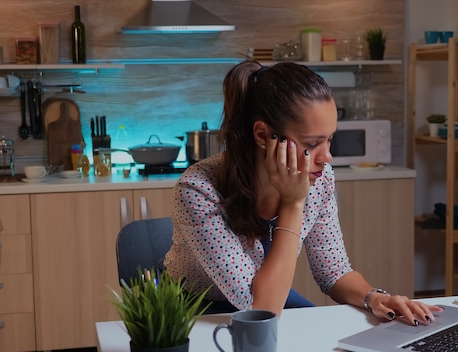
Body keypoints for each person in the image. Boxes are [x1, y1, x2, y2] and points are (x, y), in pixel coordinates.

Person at [164, 59, 442, 326]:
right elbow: (258, 310)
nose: (327, 157)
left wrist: (375, 298)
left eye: (330, 139)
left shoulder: (319, 180)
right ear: (263, 135)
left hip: (271, 297)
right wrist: (293, 203)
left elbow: (333, 271)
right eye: (313, 143)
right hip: (196, 311)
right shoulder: (198, 189)